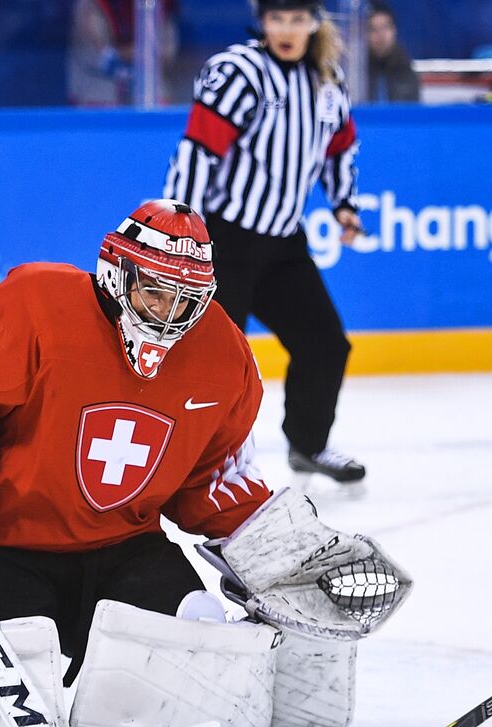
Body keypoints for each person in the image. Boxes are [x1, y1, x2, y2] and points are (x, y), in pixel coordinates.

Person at [0, 199, 409, 727]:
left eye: (184, 300)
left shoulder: (222, 354)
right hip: (5, 551)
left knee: (201, 635)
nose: (169, 314)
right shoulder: (39, 304)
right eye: (154, 293)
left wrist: (284, 555)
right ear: (118, 274)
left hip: (123, 551)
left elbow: (216, 484)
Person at [165, 0, 368, 490]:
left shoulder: (327, 79)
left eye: (297, 19)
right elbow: (198, 148)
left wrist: (344, 204)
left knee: (325, 345)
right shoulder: (240, 72)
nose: (286, 29)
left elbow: (339, 147)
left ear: (314, 23)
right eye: (277, 19)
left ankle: (308, 445)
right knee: (210, 360)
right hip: (223, 242)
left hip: (283, 244)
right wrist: (178, 225)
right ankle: (188, 458)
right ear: (262, 22)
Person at [365, 2, 420, 104]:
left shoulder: (406, 71)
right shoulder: (359, 72)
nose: (380, 35)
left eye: (385, 27)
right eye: (373, 29)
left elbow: (412, 112)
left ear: (394, 30)